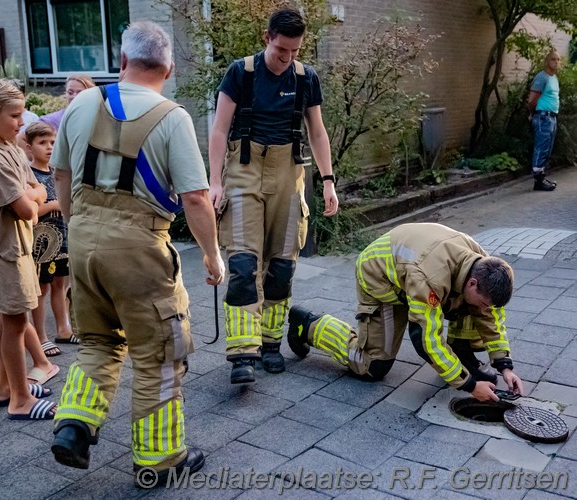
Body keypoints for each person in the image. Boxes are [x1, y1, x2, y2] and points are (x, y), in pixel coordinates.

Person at [49, 21, 224, 484]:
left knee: (98, 340)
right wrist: (212, 256)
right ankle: (160, 461)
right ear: (167, 69)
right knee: (159, 354)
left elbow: (60, 176)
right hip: (140, 249)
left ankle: (74, 425)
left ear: (123, 62)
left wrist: (77, 225)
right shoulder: (173, 117)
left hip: (83, 240)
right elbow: (195, 198)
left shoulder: (81, 103)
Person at [208, 8, 338, 384]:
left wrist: (328, 181)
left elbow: (317, 131)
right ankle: (242, 355)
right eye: (282, 50)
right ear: (267, 38)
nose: (287, 59)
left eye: (294, 52)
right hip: (244, 170)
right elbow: (218, 130)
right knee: (245, 266)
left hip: (288, 172)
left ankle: (269, 345)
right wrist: (215, 182)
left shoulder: (305, 78)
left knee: (282, 267)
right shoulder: (241, 73)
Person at [288, 223, 525, 403]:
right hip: (380, 279)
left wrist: (505, 366)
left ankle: (461, 356)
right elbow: (425, 341)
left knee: (474, 308)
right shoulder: (429, 278)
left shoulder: (484, 264)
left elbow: (492, 315)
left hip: (412, 272)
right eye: (484, 301)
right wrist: (470, 385)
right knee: (373, 367)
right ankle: (308, 325)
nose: (486, 308)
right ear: (473, 283)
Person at [0, 79, 56, 420]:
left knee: (11, 321)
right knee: (16, 321)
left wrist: (32, 195)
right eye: (15, 116)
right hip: (3, 252)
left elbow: (37, 189)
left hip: (14, 248)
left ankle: (7, 386)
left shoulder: (8, 147)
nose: (21, 122)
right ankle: (20, 399)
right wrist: (33, 197)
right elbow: (30, 208)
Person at [24, 121, 74, 357]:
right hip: (40, 242)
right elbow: (29, 209)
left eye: (52, 142)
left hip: (62, 237)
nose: (49, 147)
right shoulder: (28, 174)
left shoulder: (58, 172)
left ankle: (64, 328)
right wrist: (53, 205)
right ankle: (41, 336)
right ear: (29, 146)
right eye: (42, 143)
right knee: (41, 289)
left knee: (60, 285)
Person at [528, 50, 560, 192]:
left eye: (558, 60)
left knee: (547, 148)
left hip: (552, 117)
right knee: (541, 148)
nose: (556, 62)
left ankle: (541, 177)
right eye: (553, 59)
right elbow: (532, 100)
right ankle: (538, 181)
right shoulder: (542, 77)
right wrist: (533, 113)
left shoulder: (554, 78)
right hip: (543, 117)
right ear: (547, 61)